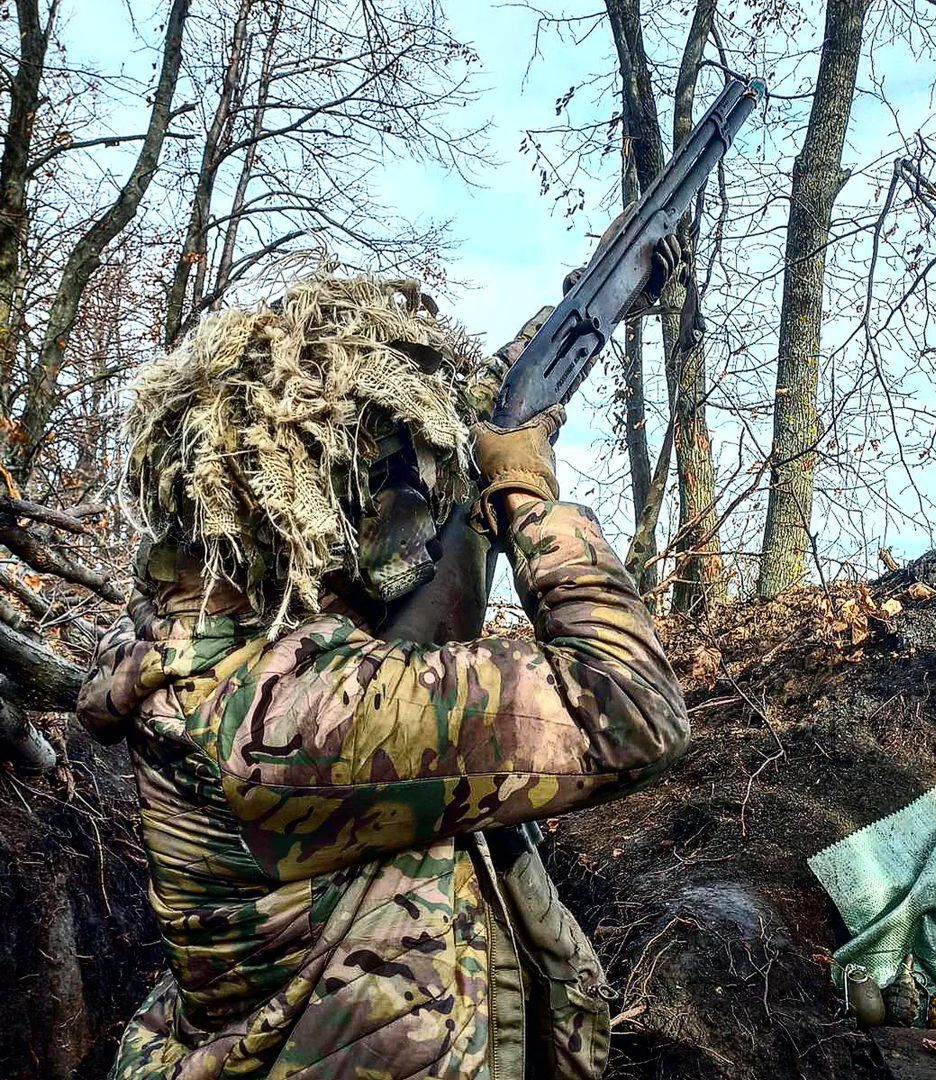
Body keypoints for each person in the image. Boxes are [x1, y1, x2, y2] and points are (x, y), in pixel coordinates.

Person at [77, 265, 689, 1080]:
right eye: (398, 484)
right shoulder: (282, 713)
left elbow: (455, 419)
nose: (420, 511)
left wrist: (589, 307)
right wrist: (525, 492)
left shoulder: (223, 634)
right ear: (324, 500)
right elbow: (632, 707)